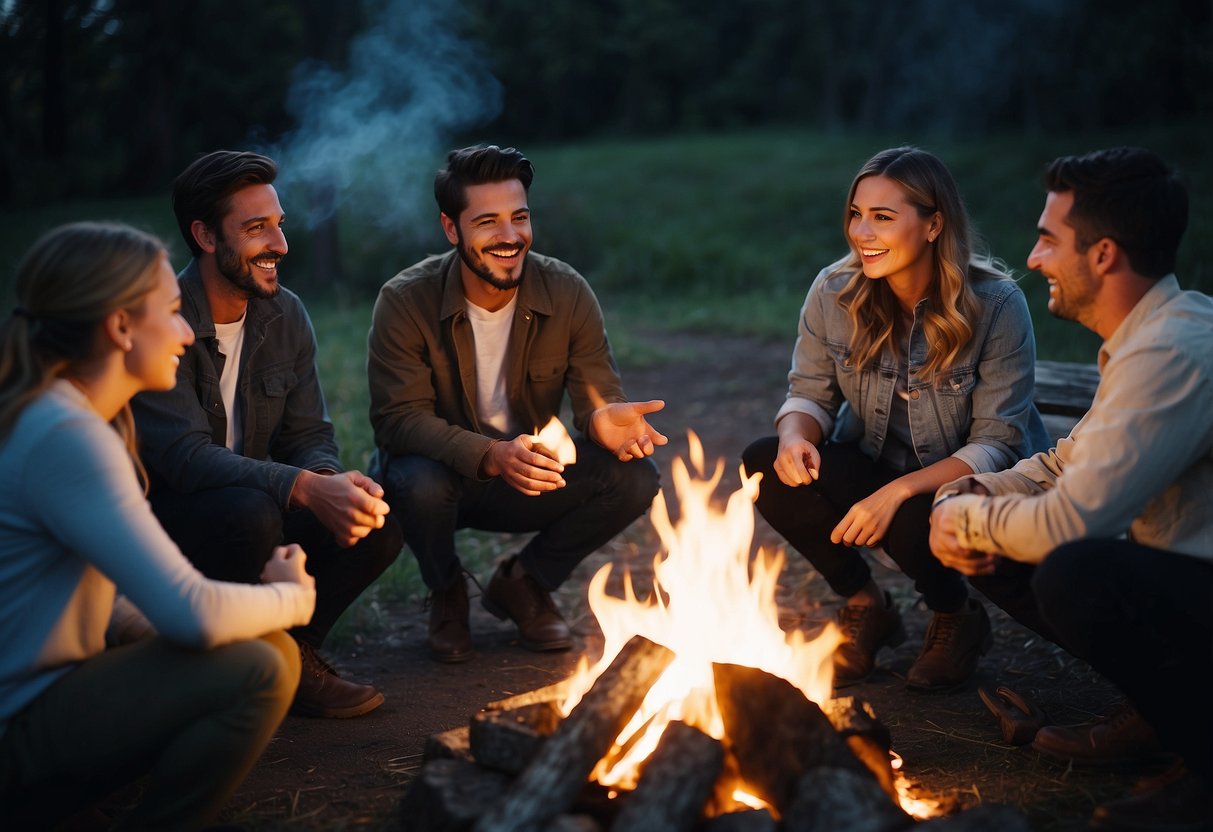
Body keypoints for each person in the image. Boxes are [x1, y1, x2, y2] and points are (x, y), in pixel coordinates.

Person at [930, 147, 1212, 831]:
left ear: (1104, 254)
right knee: (994, 533)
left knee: (1074, 572)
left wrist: (966, 519)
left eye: (1048, 239)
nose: (1033, 257)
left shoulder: (1173, 350)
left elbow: (1073, 519)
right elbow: (1065, 462)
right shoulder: (1149, 334)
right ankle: (1160, 711)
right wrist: (970, 492)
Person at [0, 222, 316, 829]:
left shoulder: (57, 416)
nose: (182, 331)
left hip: (43, 702)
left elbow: (87, 596)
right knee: (263, 665)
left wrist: (151, 631)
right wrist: (292, 597)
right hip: (18, 731)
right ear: (120, 327)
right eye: (171, 312)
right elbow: (191, 612)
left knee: (254, 648)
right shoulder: (68, 435)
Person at [741, 146, 1049, 692]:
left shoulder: (996, 306)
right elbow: (808, 393)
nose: (862, 232)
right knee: (764, 462)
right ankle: (868, 604)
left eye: (883, 218)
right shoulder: (834, 290)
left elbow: (997, 444)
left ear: (934, 225)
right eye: (856, 214)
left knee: (913, 514)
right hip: (875, 462)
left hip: (968, 483)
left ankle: (956, 616)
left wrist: (898, 492)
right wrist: (795, 437)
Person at [367, 144, 665, 663]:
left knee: (635, 478)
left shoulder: (566, 290)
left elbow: (597, 391)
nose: (509, 237)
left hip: (530, 473)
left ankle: (524, 582)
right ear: (450, 228)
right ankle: (446, 590)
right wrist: (489, 454)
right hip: (441, 479)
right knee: (416, 480)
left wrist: (604, 421)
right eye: (487, 222)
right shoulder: (404, 299)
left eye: (519, 218)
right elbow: (397, 421)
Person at [131, 150, 401, 719]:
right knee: (251, 512)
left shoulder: (286, 315)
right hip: (171, 524)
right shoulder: (163, 319)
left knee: (378, 516)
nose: (279, 243)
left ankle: (294, 656)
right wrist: (303, 487)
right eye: (256, 229)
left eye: (279, 224)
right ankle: (216, 672)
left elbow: (309, 433)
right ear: (205, 235)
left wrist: (328, 483)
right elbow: (184, 460)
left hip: (261, 502)